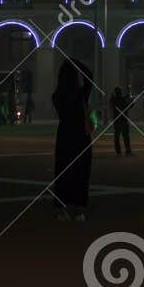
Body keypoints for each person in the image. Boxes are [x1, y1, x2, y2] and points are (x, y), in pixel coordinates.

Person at [51, 59, 92, 219]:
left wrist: (67, 66)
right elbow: (89, 76)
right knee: (81, 171)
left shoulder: (57, 96)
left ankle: (61, 207)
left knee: (62, 170)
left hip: (65, 135)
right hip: (80, 135)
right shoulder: (81, 94)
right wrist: (75, 63)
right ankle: (79, 207)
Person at [109, 86, 133, 156]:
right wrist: (131, 98)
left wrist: (112, 97)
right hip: (123, 121)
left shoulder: (114, 100)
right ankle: (128, 151)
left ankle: (118, 152)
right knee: (126, 137)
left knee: (117, 137)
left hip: (117, 121)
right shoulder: (123, 99)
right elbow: (130, 105)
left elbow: (112, 103)